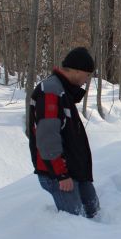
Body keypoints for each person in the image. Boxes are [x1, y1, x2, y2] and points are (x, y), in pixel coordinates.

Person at [28, 47, 100, 218]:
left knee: (94, 213)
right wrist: (61, 175)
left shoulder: (63, 91)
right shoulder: (50, 92)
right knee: (76, 223)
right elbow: (47, 139)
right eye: (87, 74)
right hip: (59, 175)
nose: (87, 79)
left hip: (75, 170)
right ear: (76, 70)